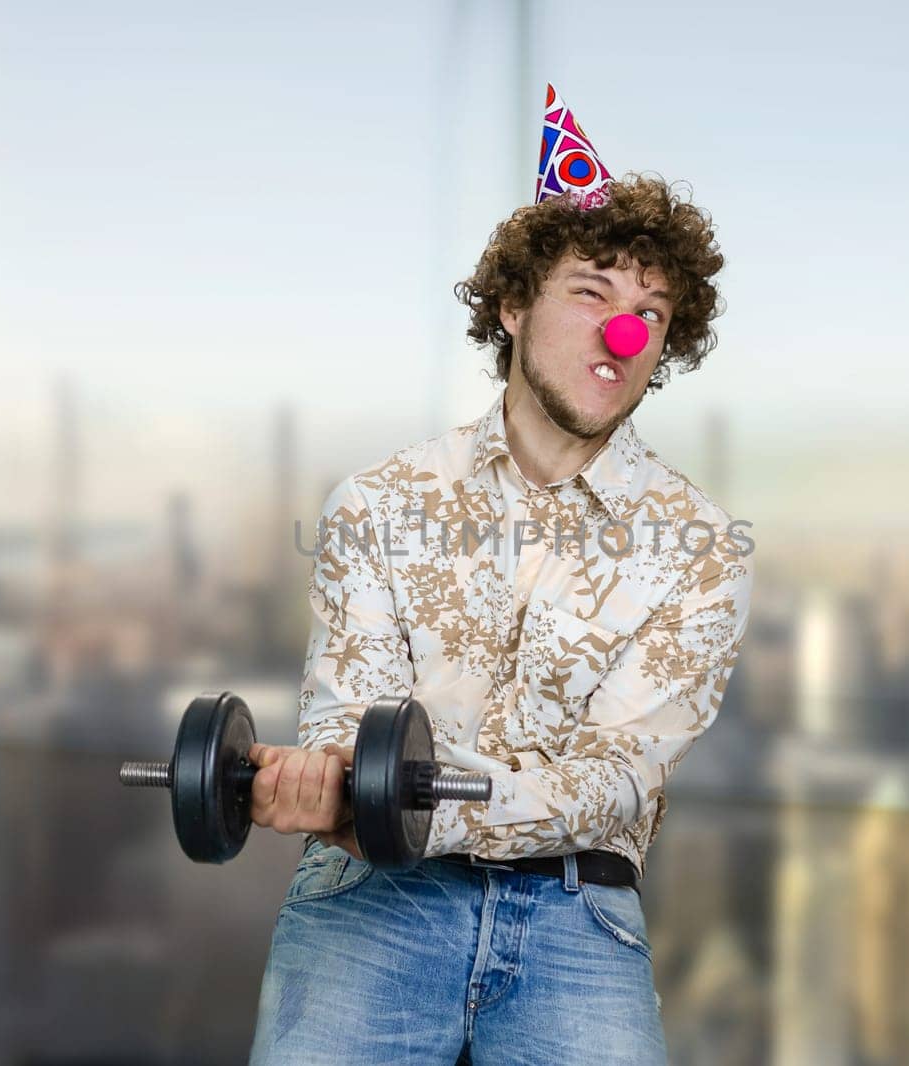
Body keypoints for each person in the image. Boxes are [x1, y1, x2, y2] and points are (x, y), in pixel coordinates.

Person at [246, 85, 753, 1065]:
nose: (624, 335)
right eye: (592, 293)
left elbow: (612, 781)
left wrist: (384, 796)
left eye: (651, 312)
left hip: (578, 914)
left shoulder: (696, 546)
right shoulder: (379, 502)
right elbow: (350, 716)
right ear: (514, 304)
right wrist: (326, 780)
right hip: (371, 895)